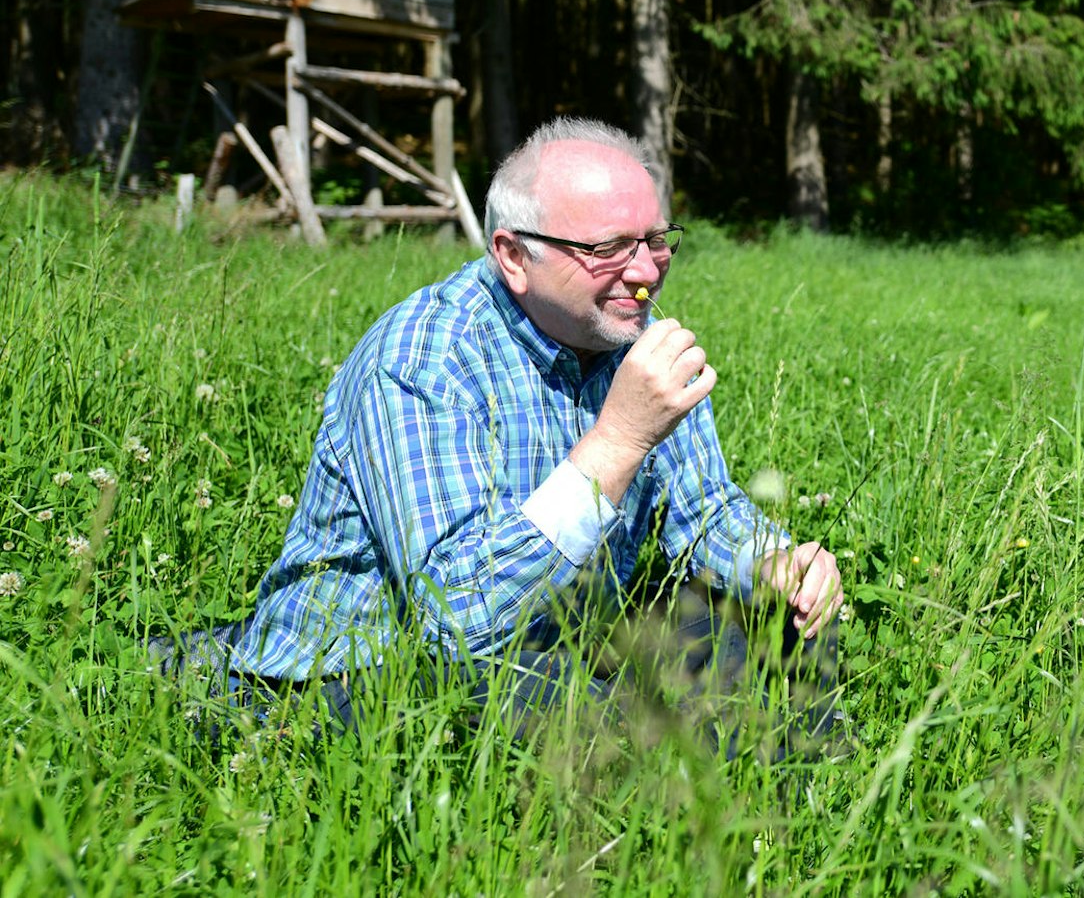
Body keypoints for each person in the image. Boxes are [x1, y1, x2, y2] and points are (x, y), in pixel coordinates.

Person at [163, 117, 843, 753]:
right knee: (591, 722)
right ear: (514, 255)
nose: (644, 272)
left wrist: (772, 562)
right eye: (608, 248)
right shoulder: (425, 357)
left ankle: (805, 800)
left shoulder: (624, 328)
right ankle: (202, 673)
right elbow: (453, 616)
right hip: (370, 668)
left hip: (556, 642)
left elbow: (705, 510)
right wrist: (618, 439)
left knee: (776, 626)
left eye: (656, 239)